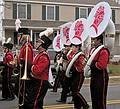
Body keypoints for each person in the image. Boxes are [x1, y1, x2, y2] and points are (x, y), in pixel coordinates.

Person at [24, 28, 53, 109]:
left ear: (42, 44)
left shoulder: (43, 56)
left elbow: (37, 71)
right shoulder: (39, 54)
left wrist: (29, 66)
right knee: (37, 104)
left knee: (35, 104)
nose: (36, 43)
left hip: (41, 82)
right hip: (37, 81)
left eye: (38, 42)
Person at [14, 28, 34, 109]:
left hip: (24, 73)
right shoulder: (24, 46)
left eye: (19, 35)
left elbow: (27, 63)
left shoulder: (27, 47)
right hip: (21, 72)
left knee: (22, 93)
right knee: (19, 91)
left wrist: (19, 62)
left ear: (23, 36)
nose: (18, 37)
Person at [90, 34, 110, 109]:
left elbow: (101, 65)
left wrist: (92, 64)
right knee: (94, 97)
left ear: (99, 40)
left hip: (101, 77)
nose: (92, 41)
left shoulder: (103, 50)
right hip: (94, 76)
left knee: (100, 99)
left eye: (94, 39)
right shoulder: (93, 50)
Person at [67, 43, 89, 109]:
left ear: (77, 47)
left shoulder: (81, 55)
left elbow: (81, 67)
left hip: (79, 74)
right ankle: (77, 106)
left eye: (73, 47)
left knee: (75, 91)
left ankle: (85, 104)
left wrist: (74, 67)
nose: (71, 48)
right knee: (73, 92)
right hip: (74, 74)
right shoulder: (73, 54)